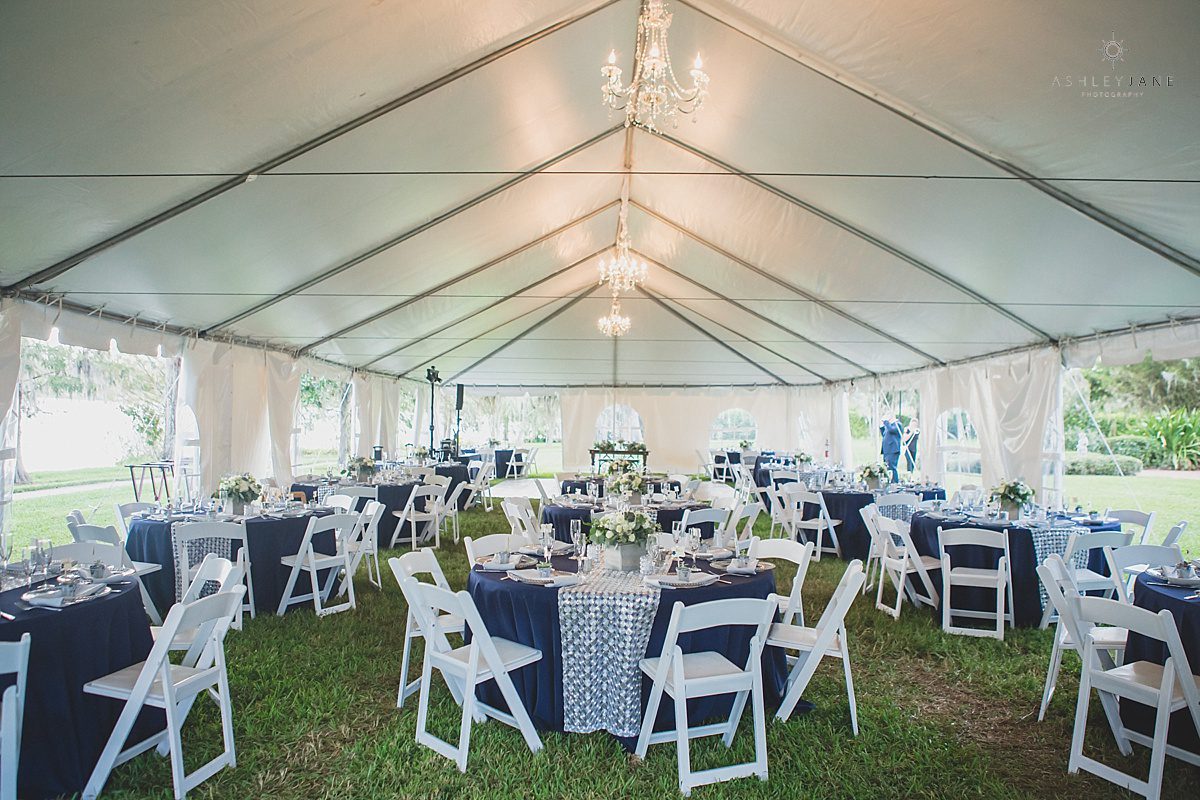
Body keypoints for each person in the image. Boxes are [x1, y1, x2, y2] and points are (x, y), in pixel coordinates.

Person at [879, 412, 903, 483]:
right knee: (886, 468)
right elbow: (884, 433)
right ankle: (888, 481)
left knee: (892, 467)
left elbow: (892, 430)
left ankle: (895, 481)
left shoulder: (897, 424)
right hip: (887, 450)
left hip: (893, 449)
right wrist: (881, 426)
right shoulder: (888, 426)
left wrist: (886, 422)